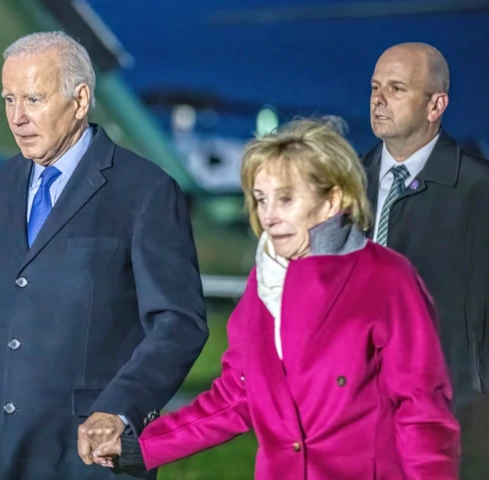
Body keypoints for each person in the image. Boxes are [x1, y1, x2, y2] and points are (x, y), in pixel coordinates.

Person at [0, 31, 208, 480]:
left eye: (33, 99)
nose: (17, 117)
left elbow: (178, 325)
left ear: (80, 99)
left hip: (90, 460)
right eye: (9, 99)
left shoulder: (145, 191)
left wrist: (119, 410)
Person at [93, 118, 460, 479]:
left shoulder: (387, 278)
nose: (268, 216)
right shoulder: (264, 282)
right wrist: (140, 448)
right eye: (261, 199)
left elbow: (422, 413)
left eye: (285, 199)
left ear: (333, 199)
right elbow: (235, 398)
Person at [362, 42, 489, 477]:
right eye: (375, 87)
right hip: (352, 413)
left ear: (437, 105)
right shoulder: (342, 185)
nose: (379, 99)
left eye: (396, 88)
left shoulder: (479, 192)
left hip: (451, 415)